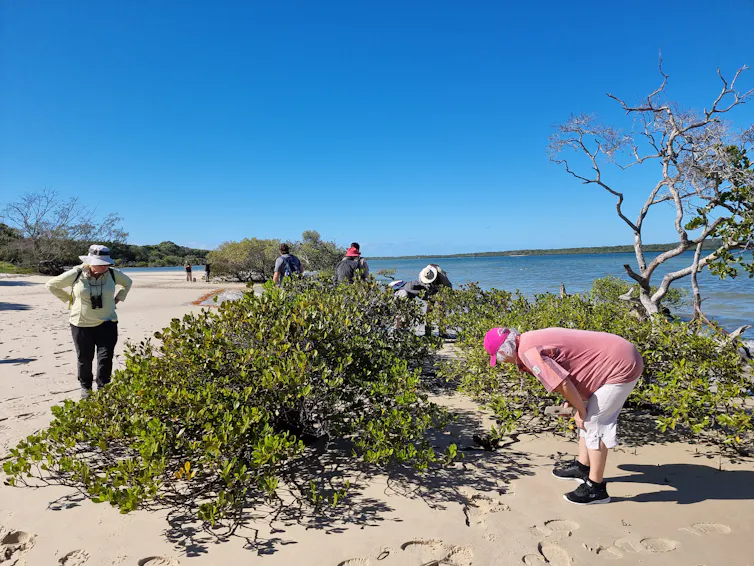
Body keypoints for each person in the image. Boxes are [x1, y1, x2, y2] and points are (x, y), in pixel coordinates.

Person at [484, 327, 644, 505]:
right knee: (587, 416)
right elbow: (571, 368)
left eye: (499, 358)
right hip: (618, 355)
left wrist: (581, 410)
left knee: (594, 422)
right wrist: (574, 403)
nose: (503, 362)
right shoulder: (528, 339)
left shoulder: (528, 353)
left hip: (622, 365)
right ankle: (583, 468)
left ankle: (596, 489)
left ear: (504, 351)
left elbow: (562, 382)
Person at [46, 245, 133, 399]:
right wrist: (70, 300)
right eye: (100, 263)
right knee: (84, 358)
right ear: (90, 262)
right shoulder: (77, 274)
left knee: (105, 358)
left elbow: (128, 283)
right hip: (81, 324)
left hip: (108, 322)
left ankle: (103, 388)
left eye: (106, 263)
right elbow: (52, 285)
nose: (104, 266)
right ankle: (85, 387)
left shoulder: (112, 274)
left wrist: (119, 298)